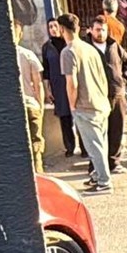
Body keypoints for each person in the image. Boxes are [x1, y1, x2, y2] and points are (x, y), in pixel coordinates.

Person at [58, 13, 112, 195]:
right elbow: (103, 76)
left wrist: (72, 105)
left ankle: (104, 182)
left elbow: (71, 82)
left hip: (85, 105)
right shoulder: (89, 48)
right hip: (101, 102)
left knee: (93, 146)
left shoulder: (68, 52)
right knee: (100, 144)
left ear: (61, 29)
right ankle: (97, 176)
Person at [90, 17, 127, 175]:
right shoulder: (87, 47)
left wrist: (126, 78)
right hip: (96, 96)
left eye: (102, 30)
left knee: (117, 129)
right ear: (91, 30)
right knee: (98, 132)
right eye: (97, 29)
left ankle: (114, 162)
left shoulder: (114, 45)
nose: (100, 33)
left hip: (117, 93)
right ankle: (96, 166)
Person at [41, 19, 78, 157]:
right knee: (64, 118)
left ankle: (85, 148)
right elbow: (46, 70)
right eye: (50, 27)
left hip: (72, 83)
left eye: (55, 26)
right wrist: (47, 89)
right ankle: (70, 147)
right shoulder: (47, 47)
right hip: (58, 87)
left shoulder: (68, 44)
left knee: (78, 115)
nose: (53, 29)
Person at [15, 20, 45, 172]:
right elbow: (38, 83)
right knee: (36, 142)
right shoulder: (28, 55)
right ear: (20, 34)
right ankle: (38, 173)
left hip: (14, 108)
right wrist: (40, 105)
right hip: (31, 104)